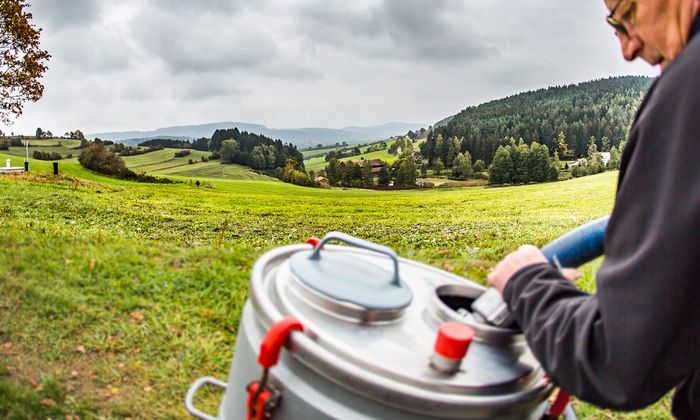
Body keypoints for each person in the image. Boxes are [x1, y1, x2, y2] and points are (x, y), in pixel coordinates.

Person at [487, 0, 700, 418]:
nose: (628, 48)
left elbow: (618, 358)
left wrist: (527, 281)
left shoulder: (691, 84)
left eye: (626, 16)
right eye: (614, 26)